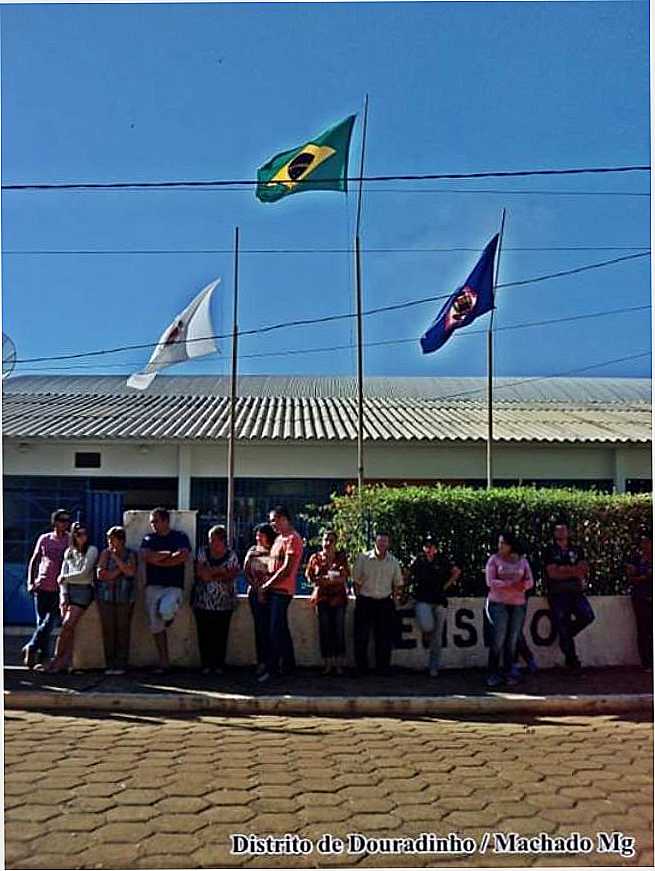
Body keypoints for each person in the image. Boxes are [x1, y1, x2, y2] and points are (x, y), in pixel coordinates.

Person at [140, 507, 191, 673]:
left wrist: (161, 560)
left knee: (166, 609)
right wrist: (169, 556)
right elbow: (147, 556)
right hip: (153, 585)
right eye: (151, 522)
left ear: (165, 521)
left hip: (173, 586)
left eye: (155, 521)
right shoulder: (149, 538)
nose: (153, 525)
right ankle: (164, 662)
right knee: (156, 625)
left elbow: (183, 556)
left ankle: (169, 617)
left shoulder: (179, 537)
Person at [257, 505, 304, 683]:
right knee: (280, 629)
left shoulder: (293, 539)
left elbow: (286, 569)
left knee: (275, 630)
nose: (272, 524)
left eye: (274, 520)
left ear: (284, 519)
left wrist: (267, 585)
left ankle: (273, 668)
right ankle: (288, 665)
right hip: (273, 589)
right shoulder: (278, 539)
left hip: (282, 590)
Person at [46, 522, 98, 673]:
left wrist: (65, 578)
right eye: (79, 534)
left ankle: (57, 658)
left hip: (83, 591)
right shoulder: (69, 552)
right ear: (74, 536)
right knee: (68, 628)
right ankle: (65, 661)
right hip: (68, 591)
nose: (83, 537)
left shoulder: (92, 550)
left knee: (68, 624)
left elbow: (84, 574)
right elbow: (61, 577)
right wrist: (63, 595)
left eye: (85, 534)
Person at [543, 523, 595, 674]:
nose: (561, 532)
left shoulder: (577, 549)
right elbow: (552, 573)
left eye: (564, 529)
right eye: (558, 529)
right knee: (563, 623)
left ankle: (566, 636)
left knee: (587, 616)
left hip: (576, 592)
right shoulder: (549, 551)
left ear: (569, 532)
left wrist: (564, 570)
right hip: (557, 593)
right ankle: (572, 662)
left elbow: (583, 568)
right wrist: (573, 571)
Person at [23, 509, 71, 669]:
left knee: (49, 622)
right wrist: (30, 581)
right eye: (62, 520)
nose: (65, 523)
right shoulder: (44, 539)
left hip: (59, 588)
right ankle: (42, 657)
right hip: (42, 585)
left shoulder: (70, 540)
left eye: (67, 520)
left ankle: (31, 647)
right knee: (41, 623)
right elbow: (34, 560)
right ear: (55, 522)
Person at [484, 531, 534, 688]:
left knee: (512, 639)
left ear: (511, 545)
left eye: (503, 543)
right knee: (498, 637)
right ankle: (493, 673)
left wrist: (522, 585)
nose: (500, 546)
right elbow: (490, 582)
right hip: (497, 602)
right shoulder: (494, 560)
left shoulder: (522, 561)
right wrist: (511, 585)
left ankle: (509, 672)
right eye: (499, 543)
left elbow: (530, 581)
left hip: (518, 604)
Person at [408, 534, 461, 678]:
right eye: (426, 546)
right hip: (422, 599)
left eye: (431, 546)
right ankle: (426, 635)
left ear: (435, 548)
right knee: (427, 626)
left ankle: (433, 667)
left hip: (439, 600)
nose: (428, 548)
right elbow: (407, 574)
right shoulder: (419, 560)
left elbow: (456, 572)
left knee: (437, 637)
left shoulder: (442, 560)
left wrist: (446, 586)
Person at [352, 531, 404, 676]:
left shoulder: (393, 561)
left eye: (385, 542)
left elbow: (397, 583)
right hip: (365, 600)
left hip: (384, 602)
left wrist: (394, 599)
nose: (382, 544)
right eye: (380, 541)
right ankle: (361, 668)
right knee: (361, 637)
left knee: (384, 638)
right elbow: (356, 581)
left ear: (388, 544)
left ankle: (382, 669)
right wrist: (359, 597)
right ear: (375, 542)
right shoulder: (363, 558)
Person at [192, 525, 240, 675]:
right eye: (210, 540)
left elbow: (231, 576)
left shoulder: (231, 555)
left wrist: (212, 572)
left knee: (221, 634)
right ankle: (206, 664)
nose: (212, 543)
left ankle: (219, 664)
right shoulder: (202, 552)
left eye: (215, 540)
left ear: (223, 541)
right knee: (204, 633)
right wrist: (220, 571)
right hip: (203, 601)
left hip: (224, 602)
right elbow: (201, 574)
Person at [306, 529, 351, 676]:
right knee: (324, 630)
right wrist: (323, 580)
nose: (327, 543)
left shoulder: (341, 557)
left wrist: (328, 580)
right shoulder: (316, 558)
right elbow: (310, 577)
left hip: (338, 599)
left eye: (331, 541)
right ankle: (327, 663)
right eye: (325, 540)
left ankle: (338, 664)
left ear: (336, 543)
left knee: (338, 630)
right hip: (322, 598)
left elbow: (344, 577)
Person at [96, 526, 137, 675]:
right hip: (106, 597)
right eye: (108, 539)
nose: (110, 543)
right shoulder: (104, 554)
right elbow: (101, 574)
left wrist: (117, 560)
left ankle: (121, 663)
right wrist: (120, 570)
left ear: (121, 540)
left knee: (123, 630)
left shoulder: (130, 554)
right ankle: (110, 663)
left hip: (125, 597)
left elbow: (131, 572)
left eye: (113, 539)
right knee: (108, 630)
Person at [243, 523, 276, 676]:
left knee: (271, 628)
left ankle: (273, 662)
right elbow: (246, 571)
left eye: (261, 535)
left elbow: (276, 572)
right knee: (259, 628)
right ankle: (261, 661)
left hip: (271, 593)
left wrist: (265, 588)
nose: (258, 538)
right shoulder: (252, 551)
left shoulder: (274, 551)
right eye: (257, 535)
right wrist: (257, 588)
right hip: (255, 594)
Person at [625, 529, 652, 671]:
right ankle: (646, 662)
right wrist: (645, 577)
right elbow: (631, 578)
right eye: (643, 542)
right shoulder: (635, 559)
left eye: (648, 542)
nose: (645, 545)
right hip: (640, 597)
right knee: (643, 629)